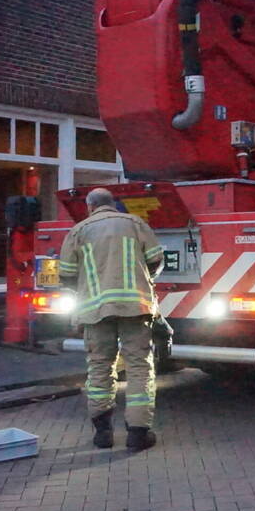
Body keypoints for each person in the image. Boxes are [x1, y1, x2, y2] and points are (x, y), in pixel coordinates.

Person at [59, 187, 164, 452]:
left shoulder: (79, 231)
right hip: (135, 308)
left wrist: (86, 288)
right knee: (139, 367)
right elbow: (156, 260)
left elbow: (67, 273)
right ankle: (138, 434)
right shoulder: (135, 223)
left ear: (89, 207)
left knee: (99, 367)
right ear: (114, 204)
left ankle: (102, 434)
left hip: (95, 312)